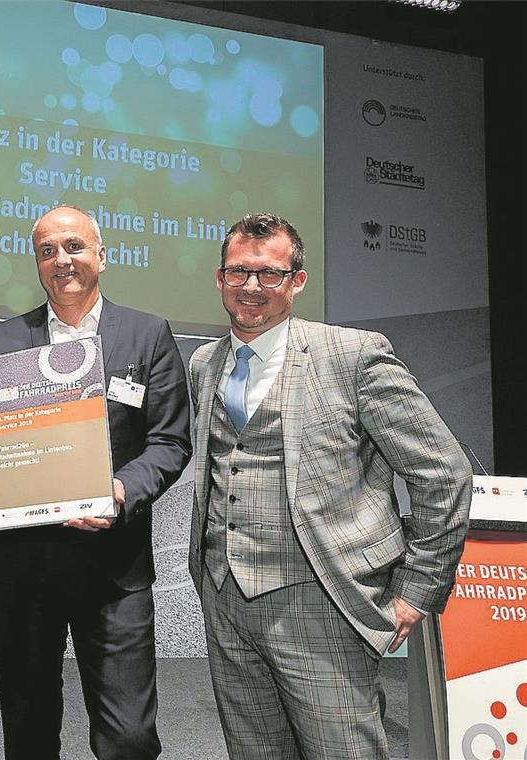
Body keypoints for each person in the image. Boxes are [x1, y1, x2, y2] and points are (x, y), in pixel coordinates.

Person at [187, 212, 471, 759]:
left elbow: (444, 473)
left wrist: (418, 588)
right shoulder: (205, 363)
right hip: (225, 600)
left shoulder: (354, 355)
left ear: (297, 280)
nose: (252, 287)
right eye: (238, 272)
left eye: (270, 274)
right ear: (220, 278)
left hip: (323, 598)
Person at [0, 205, 192, 760]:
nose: (61, 260)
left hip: (112, 569)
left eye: (73, 246)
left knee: (129, 737)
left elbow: (169, 442)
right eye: (47, 251)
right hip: (23, 566)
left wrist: (119, 491)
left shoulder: (147, 336)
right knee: (28, 733)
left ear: (102, 254)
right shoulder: (2, 343)